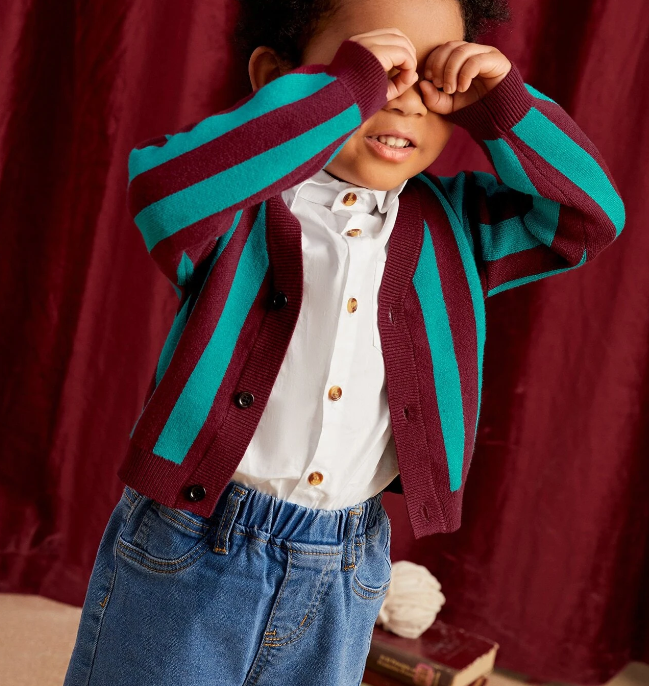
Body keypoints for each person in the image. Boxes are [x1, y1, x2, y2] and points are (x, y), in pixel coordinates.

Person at [63, 0, 625, 684]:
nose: (404, 100)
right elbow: (163, 190)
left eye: (430, 78)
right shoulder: (236, 207)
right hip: (192, 538)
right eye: (379, 69)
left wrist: (502, 107)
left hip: (347, 562)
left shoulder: (460, 228)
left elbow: (589, 218)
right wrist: (343, 94)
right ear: (279, 77)